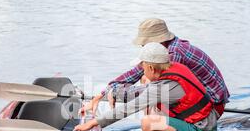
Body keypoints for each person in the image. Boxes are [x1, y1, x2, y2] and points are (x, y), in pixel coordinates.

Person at [74, 42, 218, 131]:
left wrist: (92, 123)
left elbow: (129, 108)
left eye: (143, 67)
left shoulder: (162, 86)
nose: (142, 71)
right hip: (203, 122)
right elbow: (137, 94)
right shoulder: (175, 67)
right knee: (148, 91)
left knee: (148, 124)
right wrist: (103, 95)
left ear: (151, 68)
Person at [83, 18, 230, 120]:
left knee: (150, 83)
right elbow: (134, 73)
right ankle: (163, 128)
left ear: (158, 40)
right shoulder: (163, 50)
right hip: (201, 101)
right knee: (145, 77)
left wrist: (116, 94)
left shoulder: (173, 54)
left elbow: (154, 92)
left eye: (144, 44)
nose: (142, 46)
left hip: (211, 107)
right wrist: (105, 92)